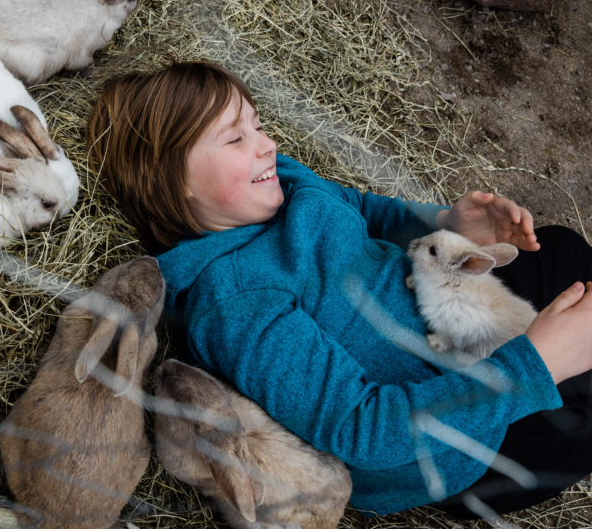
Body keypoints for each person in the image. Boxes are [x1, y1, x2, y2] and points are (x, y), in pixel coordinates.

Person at [85, 59, 592, 518]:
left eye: (257, 124)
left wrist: (444, 224)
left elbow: (359, 210)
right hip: (459, 441)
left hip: (440, 306)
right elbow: (364, 430)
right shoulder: (236, 303)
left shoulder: (281, 183)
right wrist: (536, 365)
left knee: (560, 250)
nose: (267, 144)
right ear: (176, 184)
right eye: (235, 139)